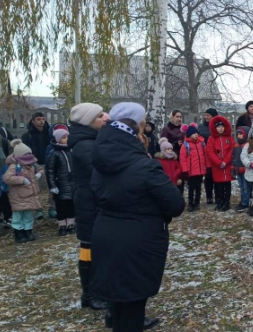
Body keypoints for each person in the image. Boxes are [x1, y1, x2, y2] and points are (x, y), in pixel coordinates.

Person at [90, 102, 184, 332]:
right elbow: (175, 204)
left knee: (119, 301)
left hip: (106, 234)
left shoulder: (101, 160)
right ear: (137, 126)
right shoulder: (144, 166)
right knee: (133, 306)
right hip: (138, 242)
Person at [67, 102, 110, 311]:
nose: (105, 118)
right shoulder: (85, 145)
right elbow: (100, 172)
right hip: (89, 203)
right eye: (100, 115)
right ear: (88, 121)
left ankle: (93, 292)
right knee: (88, 248)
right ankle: (90, 294)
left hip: (91, 201)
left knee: (91, 248)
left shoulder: (89, 140)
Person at [2, 140, 44, 244]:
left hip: (30, 195)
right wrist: (21, 180)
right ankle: (19, 233)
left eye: (29, 154)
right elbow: (6, 178)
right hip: (18, 196)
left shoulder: (33, 164)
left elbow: (40, 169)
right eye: (26, 154)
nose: (29, 156)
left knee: (28, 215)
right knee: (18, 216)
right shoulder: (15, 166)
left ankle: (28, 231)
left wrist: (40, 174)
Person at [21, 112, 53, 219]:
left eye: (43, 119)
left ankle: (52, 208)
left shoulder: (49, 133)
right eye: (38, 119)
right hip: (35, 164)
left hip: (49, 162)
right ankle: (38, 209)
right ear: (33, 121)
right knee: (35, 188)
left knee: (52, 186)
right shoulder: (27, 135)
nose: (41, 122)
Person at [46, 128, 75, 236]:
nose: (66, 139)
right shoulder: (54, 153)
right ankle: (62, 225)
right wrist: (52, 185)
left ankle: (71, 224)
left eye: (67, 137)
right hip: (60, 184)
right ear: (58, 139)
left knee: (71, 205)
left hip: (72, 184)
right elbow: (50, 170)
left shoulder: (71, 150)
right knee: (61, 206)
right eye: (63, 137)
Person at [205, 116, 234, 212]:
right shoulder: (211, 138)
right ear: (215, 128)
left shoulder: (229, 138)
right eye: (218, 127)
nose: (220, 129)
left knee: (227, 184)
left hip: (227, 165)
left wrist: (226, 161)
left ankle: (226, 202)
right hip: (217, 166)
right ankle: (220, 201)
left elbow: (232, 149)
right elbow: (210, 151)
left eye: (222, 126)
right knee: (219, 185)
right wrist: (218, 162)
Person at [180, 125, 207, 212]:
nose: (196, 135)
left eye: (197, 133)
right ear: (189, 134)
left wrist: (206, 166)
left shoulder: (201, 143)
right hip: (191, 171)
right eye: (194, 133)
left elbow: (205, 156)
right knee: (191, 188)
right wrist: (185, 170)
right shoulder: (186, 145)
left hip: (199, 170)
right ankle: (191, 203)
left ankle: (197, 202)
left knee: (198, 187)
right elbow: (182, 159)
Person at [199, 108, 218, 205]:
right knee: (208, 176)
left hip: (217, 154)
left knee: (217, 176)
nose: (206, 117)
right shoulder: (201, 127)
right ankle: (209, 196)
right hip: (205, 154)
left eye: (208, 115)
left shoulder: (218, 126)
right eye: (205, 115)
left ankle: (218, 196)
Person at [232, 126, 250, 212]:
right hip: (238, 169)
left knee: (246, 187)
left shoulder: (247, 145)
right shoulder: (236, 145)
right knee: (242, 187)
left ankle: (246, 202)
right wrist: (233, 168)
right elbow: (233, 158)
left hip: (245, 170)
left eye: (241, 134)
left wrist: (246, 167)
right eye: (238, 134)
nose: (239, 136)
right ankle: (243, 201)